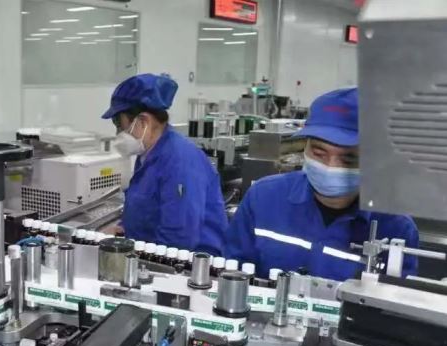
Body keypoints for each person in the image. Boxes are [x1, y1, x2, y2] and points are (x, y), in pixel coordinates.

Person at [225, 88, 419, 281]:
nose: (330, 166)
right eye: (319, 153)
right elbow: (231, 273)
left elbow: (394, 296)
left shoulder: (396, 227)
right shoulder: (264, 198)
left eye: (348, 159)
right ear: (305, 147)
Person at [101, 73, 228, 255]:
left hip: (186, 264)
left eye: (119, 124)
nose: (118, 133)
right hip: (152, 255)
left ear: (143, 121)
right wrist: (123, 231)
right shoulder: (148, 154)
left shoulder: (180, 161)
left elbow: (179, 238)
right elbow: (147, 209)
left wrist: (136, 256)